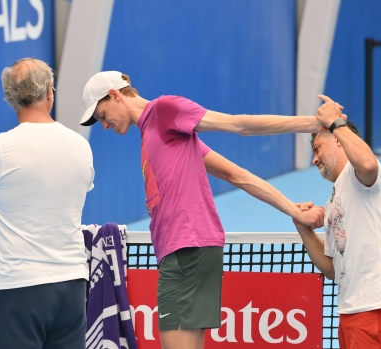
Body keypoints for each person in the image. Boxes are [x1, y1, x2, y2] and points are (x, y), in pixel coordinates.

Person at [79, 71, 327, 349]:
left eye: (101, 115)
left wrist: (315, 123)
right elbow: (237, 175)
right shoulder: (162, 135)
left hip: (185, 252)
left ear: (114, 95)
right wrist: (295, 210)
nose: (103, 125)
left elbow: (238, 125)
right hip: (195, 251)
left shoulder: (164, 110)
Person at [0, 58, 95, 349]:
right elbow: (45, 205)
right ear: (50, 93)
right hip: (72, 287)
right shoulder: (81, 147)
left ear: (10, 99)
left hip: (19, 289)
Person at [293, 95, 381, 348]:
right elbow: (331, 269)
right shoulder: (336, 198)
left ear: (338, 140)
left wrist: (335, 122)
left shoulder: (360, 177)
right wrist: (303, 228)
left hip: (378, 307)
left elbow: (367, 162)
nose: (314, 160)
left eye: (317, 149)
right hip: (351, 310)